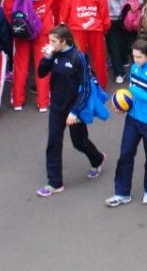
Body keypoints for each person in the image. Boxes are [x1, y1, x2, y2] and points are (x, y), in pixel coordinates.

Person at [35, 24, 105, 197]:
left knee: (79, 142)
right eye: (49, 40)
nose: (49, 43)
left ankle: (98, 159)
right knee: (53, 143)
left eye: (53, 41)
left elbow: (87, 87)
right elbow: (41, 73)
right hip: (57, 108)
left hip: (75, 110)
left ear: (63, 41)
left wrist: (75, 111)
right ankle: (54, 183)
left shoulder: (78, 57)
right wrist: (47, 58)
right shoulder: (55, 54)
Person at [105, 36, 147, 207]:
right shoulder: (134, 68)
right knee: (125, 155)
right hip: (132, 119)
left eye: (139, 57)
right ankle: (122, 192)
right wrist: (122, 107)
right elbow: (131, 95)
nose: (135, 60)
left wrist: (137, 92)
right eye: (134, 56)